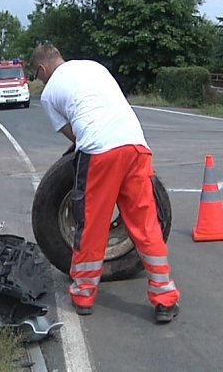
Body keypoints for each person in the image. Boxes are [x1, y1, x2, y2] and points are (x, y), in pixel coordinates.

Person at [30, 43, 180, 324]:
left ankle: (84, 295)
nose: (39, 81)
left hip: (100, 151)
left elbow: (74, 136)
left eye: (37, 76)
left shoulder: (49, 94)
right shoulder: (93, 66)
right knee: (146, 224)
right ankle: (165, 298)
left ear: (42, 69)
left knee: (92, 223)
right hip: (136, 144)